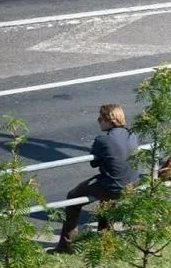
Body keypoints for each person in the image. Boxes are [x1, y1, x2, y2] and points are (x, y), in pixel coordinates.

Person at [54, 104, 139, 254]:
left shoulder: (103, 139)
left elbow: (94, 163)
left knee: (73, 197)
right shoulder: (131, 134)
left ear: (109, 120)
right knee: (107, 199)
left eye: (100, 118)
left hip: (112, 185)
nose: (98, 121)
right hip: (132, 183)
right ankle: (105, 236)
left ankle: (67, 244)